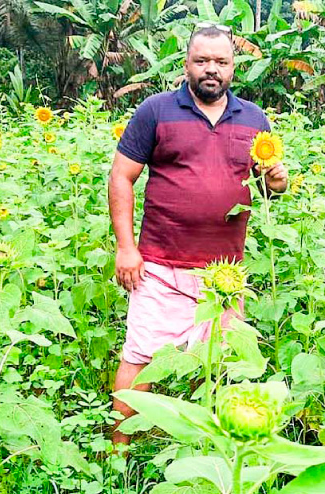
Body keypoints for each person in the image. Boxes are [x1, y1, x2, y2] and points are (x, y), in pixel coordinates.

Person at [108, 23, 288, 446]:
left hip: (224, 276)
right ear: (186, 63)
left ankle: (205, 448)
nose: (211, 69)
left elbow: (261, 188)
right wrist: (126, 248)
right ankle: (117, 458)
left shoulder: (254, 119)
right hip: (161, 266)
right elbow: (121, 178)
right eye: (202, 60)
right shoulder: (155, 111)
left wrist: (276, 184)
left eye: (220, 62)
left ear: (233, 68)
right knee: (140, 358)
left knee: (220, 366)